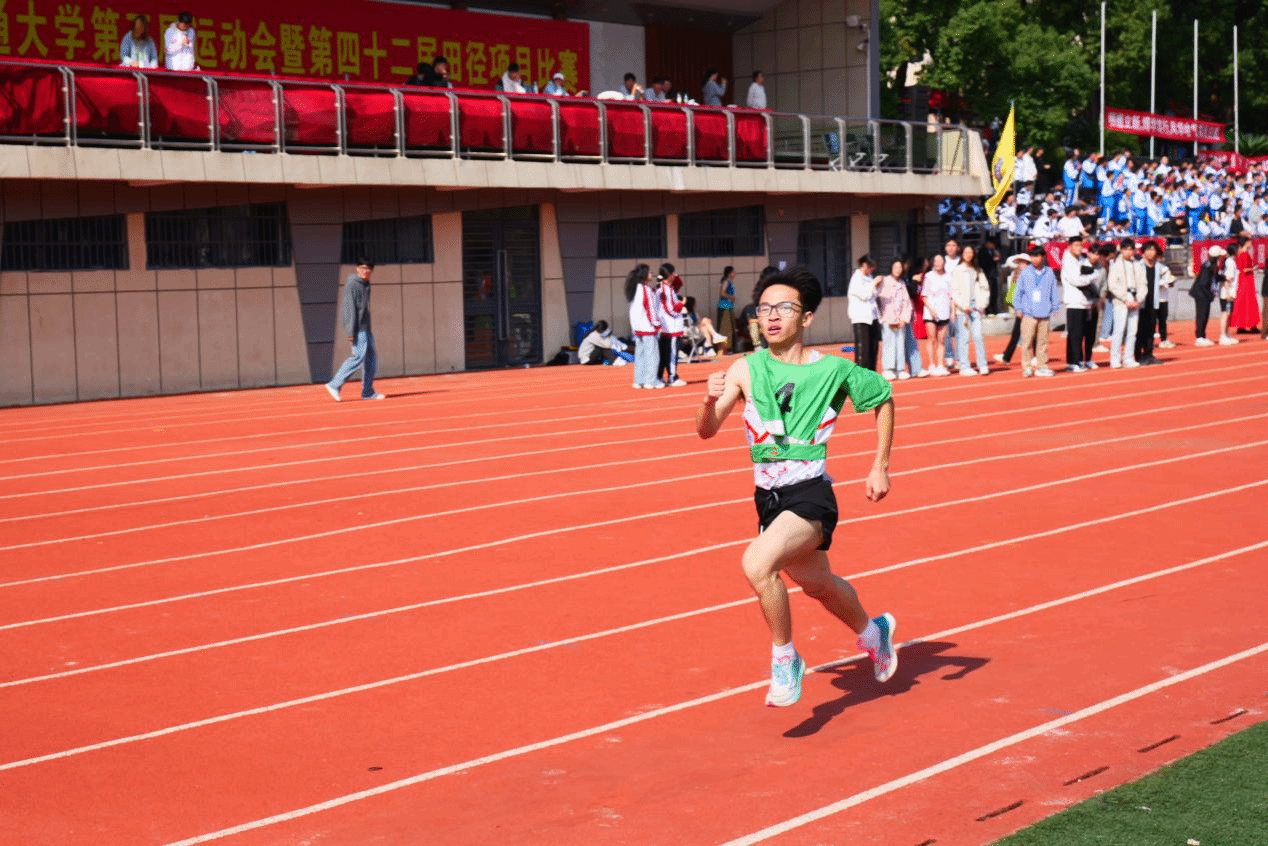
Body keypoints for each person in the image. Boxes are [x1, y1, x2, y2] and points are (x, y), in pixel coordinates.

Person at [695, 266, 899, 708]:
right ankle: (873, 632)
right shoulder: (745, 369)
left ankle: (785, 659)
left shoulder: (834, 370)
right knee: (818, 584)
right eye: (764, 308)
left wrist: (879, 465)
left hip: (810, 494)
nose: (771, 316)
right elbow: (706, 430)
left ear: (805, 318)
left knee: (757, 564)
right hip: (769, 499)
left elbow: (883, 398)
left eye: (783, 308)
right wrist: (709, 399)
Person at [325, 258, 384, 402]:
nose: (365, 271)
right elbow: (349, 307)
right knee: (358, 357)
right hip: (358, 328)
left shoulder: (365, 284)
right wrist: (350, 331)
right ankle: (334, 384)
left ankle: (367, 392)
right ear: (357, 268)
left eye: (368, 268)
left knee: (371, 360)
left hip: (366, 327)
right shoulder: (353, 284)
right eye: (362, 268)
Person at [1013, 245, 1059, 377]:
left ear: (1043, 257)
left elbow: (1053, 291)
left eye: (1037, 256)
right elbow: (1018, 291)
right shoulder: (1025, 272)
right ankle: (1027, 367)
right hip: (1029, 313)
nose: (1034, 259)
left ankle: (1042, 366)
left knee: (1042, 342)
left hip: (1044, 312)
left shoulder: (1049, 272)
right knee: (1027, 342)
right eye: (1032, 256)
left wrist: (1054, 307)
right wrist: (1018, 308)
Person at [951, 245, 990, 376]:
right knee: (964, 338)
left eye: (970, 252)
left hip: (976, 308)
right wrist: (963, 306)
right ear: (962, 254)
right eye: (966, 252)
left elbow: (985, 288)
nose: (968, 254)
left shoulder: (978, 270)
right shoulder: (957, 270)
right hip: (963, 310)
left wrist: (983, 304)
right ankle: (964, 366)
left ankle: (982, 364)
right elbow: (954, 291)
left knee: (978, 336)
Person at [1059, 237, 1097, 373]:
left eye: (1080, 245)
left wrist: (1089, 276)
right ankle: (1073, 362)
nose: (1079, 248)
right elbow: (1076, 280)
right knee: (1075, 334)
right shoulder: (1068, 261)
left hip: (1083, 301)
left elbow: (1092, 272)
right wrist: (1090, 278)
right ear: (1069, 246)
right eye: (1075, 245)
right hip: (1073, 301)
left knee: (1080, 333)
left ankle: (1078, 360)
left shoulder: (1081, 260)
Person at [1105, 237, 1145, 368]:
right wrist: (1124, 298)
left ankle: (1128, 357)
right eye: (1126, 249)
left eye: (1131, 249)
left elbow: (1143, 283)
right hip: (1121, 300)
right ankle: (1115, 359)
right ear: (1121, 250)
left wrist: (1139, 299)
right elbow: (1112, 284)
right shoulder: (1116, 264)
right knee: (1119, 330)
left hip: (1135, 298)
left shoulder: (1137, 265)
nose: (1129, 252)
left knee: (1132, 331)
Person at [1134, 240, 1173, 365]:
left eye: (1153, 250)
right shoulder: (1137, 266)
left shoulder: (1159, 267)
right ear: (1143, 252)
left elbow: (1168, 277)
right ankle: (1138, 355)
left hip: (1154, 301)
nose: (1151, 253)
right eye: (1148, 250)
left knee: (1151, 330)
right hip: (1140, 302)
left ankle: (1149, 354)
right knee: (1140, 330)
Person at [626, 263, 663, 388]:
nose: (651, 274)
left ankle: (639, 380)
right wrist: (656, 324)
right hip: (647, 327)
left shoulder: (634, 288)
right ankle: (650, 381)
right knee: (652, 356)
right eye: (649, 272)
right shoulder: (645, 289)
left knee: (640, 355)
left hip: (637, 328)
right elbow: (650, 309)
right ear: (644, 275)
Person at [877, 258, 913, 381]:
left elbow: (907, 303)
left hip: (900, 320)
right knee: (889, 344)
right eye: (895, 267)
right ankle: (888, 369)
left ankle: (900, 369)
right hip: (888, 319)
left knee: (900, 344)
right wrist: (889, 319)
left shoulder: (902, 284)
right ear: (891, 268)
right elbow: (880, 297)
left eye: (900, 267)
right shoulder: (885, 281)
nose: (897, 270)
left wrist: (903, 319)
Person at [655, 263, 687, 386]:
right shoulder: (665, 290)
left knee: (665, 354)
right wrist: (681, 304)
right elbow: (671, 309)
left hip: (667, 327)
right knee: (672, 353)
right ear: (669, 275)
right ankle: (672, 377)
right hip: (670, 327)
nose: (675, 275)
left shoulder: (666, 288)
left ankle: (660, 376)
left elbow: (679, 282)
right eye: (673, 273)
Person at [847, 255, 881, 372]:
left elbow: (873, 295)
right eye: (871, 266)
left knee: (873, 347)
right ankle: (860, 375)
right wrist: (874, 283)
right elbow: (864, 295)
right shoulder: (856, 278)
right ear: (865, 265)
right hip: (861, 318)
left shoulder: (869, 277)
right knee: (863, 349)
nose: (872, 269)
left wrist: (876, 285)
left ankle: (871, 373)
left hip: (872, 316)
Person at [921, 254, 952, 375]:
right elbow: (924, 296)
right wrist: (931, 309)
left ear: (944, 262)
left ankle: (940, 365)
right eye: (936, 261)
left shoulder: (948, 276)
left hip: (944, 312)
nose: (938, 263)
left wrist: (952, 311)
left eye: (940, 260)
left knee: (941, 340)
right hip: (931, 313)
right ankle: (931, 365)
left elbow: (951, 295)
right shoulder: (929, 276)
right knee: (931, 338)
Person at [1189, 246, 1224, 347]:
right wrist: (1209, 295)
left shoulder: (1211, 265)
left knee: (1205, 314)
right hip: (1201, 294)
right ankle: (1199, 337)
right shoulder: (1208, 266)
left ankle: (1202, 336)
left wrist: (1224, 277)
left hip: (1203, 293)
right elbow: (1204, 282)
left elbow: (1214, 277)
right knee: (1202, 315)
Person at [1230, 233, 1261, 334]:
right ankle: (1249, 324)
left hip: (1246, 279)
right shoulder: (1243, 254)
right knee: (1248, 302)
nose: (1251, 243)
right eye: (1249, 241)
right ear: (1246, 242)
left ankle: (1243, 325)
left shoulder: (1243, 253)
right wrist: (1253, 268)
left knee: (1245, 302)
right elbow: (1242, 269)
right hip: (1246, 280)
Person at [1217, 242, 1240, 346]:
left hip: (1230, 291)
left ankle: (1226, 334)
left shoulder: (1230, 261)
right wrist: (1227, 292)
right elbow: (1228, 279)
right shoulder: (1230, 262)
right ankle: (1222, 335)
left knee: (1228, 313)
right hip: (1227, 292)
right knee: (1225, 313)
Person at [717, 266, 738, 349]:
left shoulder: (730, 282)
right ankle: (725, 347)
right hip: (724, 307)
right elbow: (722, 293)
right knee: (725, 328)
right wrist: (731, 297)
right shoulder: (726, 281)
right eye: (733, 272)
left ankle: (729, 346)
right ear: (730, 273)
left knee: (729, 328)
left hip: (729, 307)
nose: (734, 274)